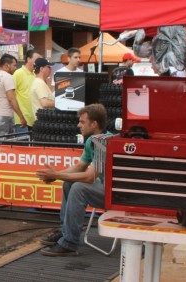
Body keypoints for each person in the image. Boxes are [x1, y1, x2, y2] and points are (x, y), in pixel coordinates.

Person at [36, 104, 109, 256]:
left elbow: (90, 177)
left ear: (94, 124)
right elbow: (80, 167)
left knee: (79, 188)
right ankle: (66, 233)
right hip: (105, 188)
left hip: (115, 195)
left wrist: (56, 175)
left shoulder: (103, 143)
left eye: (82, 122)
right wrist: (55, 174)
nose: (78, 125)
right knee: (70, 182)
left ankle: (69, 244)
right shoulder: (92, 141)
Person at [13, 49, 41, 132]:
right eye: (36, 59)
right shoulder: (18, 73)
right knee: (23, 144)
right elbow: (11, 96)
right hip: (21, 120)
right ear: (28, 59)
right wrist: (20, 117)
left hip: (33, 119)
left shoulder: (35, 75)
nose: (38, 62)